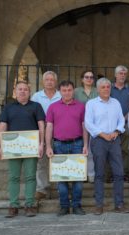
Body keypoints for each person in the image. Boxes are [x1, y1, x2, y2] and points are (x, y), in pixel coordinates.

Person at [0, 81, 45, 218]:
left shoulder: (36, 106)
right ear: (15, 92)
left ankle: (29, 205)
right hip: (13, 148)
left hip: (31, 147)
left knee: (30, 176)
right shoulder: (8, 108)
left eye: (25, 89)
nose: (22, 91)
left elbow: (41, 126)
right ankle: (13, 205)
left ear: (29, 92)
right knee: (14, 177)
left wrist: (42, 144)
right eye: (20, 89)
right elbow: (2, 127)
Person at [45, 80, 88, 216]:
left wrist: (86, 145)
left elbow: (84, 126)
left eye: (69, 90)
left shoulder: (81, 107)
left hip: (77, 144)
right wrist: (48, 146)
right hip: (58, 144)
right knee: (61, 177)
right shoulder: (53, 107)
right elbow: (49, 127)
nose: (67, 93)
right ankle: (64, 206)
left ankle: (76, 206)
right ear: (60, 91)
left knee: (78, 177)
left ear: (73, 90)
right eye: (64, 90)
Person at [84, 77, 126, 215]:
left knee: (119, 173)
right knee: (100, 174)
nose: (106, 89)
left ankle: (119, 204)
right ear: (98, 89)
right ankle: (99, 205)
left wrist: (116, 131)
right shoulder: (91, 104)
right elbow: (88, 123)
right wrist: (102, 134)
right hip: (99, 141)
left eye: (108, 87)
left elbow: (121, 120)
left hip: (114, 140)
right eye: (103, 87)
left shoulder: (116, 103)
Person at [31, 71, 61, 200]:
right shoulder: (36, 97)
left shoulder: (61, 95)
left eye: (52, 80)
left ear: (56, 82)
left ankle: (62, 188)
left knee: (60, 161)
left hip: (59, 133)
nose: (49, 82)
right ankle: (41, 189)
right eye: (47, 79)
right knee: (41, 162)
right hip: (41, 133)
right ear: (43, 82)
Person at [110, 65, 129, 183]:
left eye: (125, 74)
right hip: (111, 125)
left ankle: (124, 174)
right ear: (115, 75)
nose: (122, 76)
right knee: (111, 150)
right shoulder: (109, 88)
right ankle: (111, 174)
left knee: (125, 150)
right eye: (120, 73)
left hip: (125, 124)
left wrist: (124, 118)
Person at [74, 70, 98, 183]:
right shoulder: (75, 92)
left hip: (94, 124)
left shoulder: (97, 91)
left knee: (92, 151)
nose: (89, 79)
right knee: (81, 150)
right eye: (86, 77)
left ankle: (91, 175)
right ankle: (82, 174)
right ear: (82, 79)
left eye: (91, 77)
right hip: (79, 124)